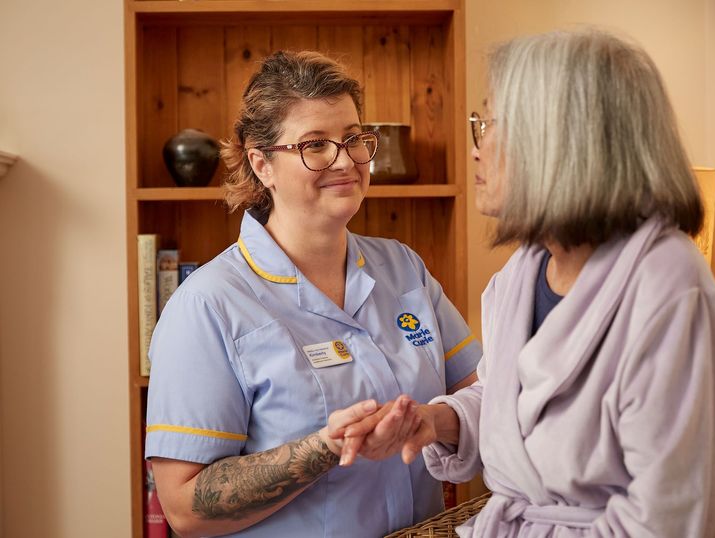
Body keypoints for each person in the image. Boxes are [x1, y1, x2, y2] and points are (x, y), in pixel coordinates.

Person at [345, 29, 715, 536]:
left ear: (562, 139)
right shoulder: (524, 270)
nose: (477, 148)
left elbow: (667, 518)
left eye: (488, 123)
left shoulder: (671, 290)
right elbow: (510, 401)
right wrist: (436, 421)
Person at [144, 50, 481, 538]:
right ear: (262, 164)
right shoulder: (207, 305)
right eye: (314, 145)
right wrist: (321, 449)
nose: (344, 160)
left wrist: (433, 420)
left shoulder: (403, 267)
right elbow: (185, 508)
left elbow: (484, 397)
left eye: (353, 139)